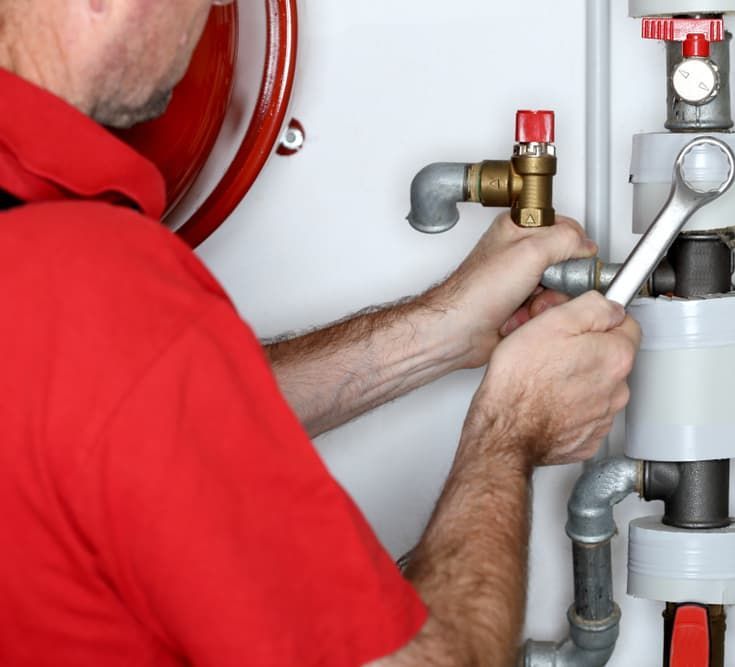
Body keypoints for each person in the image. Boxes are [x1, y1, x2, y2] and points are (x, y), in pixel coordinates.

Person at [0, 1, 640, 665]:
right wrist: (512, 428)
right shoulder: (101, 287)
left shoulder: (54, 278)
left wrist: (440, 328)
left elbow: (121, 414)